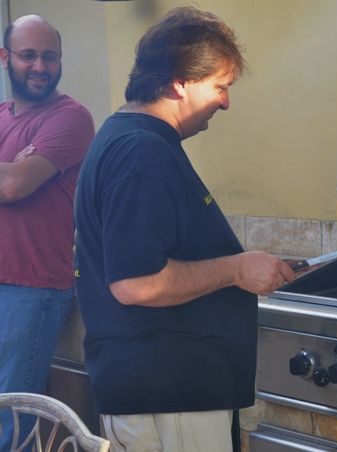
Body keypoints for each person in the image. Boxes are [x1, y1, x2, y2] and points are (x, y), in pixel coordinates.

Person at [74, 6, 295, 452]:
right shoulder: (139, 152)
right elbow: (136, 283)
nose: (225, 102)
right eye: (220, 86)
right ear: (180, 83)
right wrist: (236, 270)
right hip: (166, 397)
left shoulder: (138, 141)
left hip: (172, 393)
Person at [0, 14, 95, 450]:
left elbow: (13, 186)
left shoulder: (70, 117)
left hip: (32, 288)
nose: (40, 66)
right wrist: (12, 167)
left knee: (11, 421)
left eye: (49, 56)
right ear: (5, 58)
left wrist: (14, 173)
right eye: (28, 55)